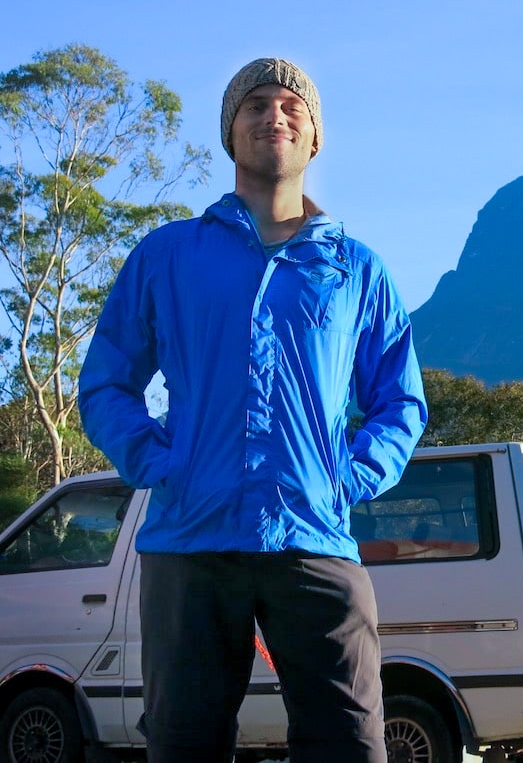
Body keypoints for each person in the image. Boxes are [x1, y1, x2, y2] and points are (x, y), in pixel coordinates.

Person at [79, 57, 428, 763]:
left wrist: (351, 475)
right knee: (182, 745)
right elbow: (106, 382)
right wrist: (155, 461)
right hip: (189, 544)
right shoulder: (169, 256)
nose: (275, 114)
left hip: (315, 538)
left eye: (292, 107)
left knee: (350, 745)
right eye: (256, 105)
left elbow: (400, 399)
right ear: (230, 135)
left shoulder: (355, 269)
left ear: (314, 139)